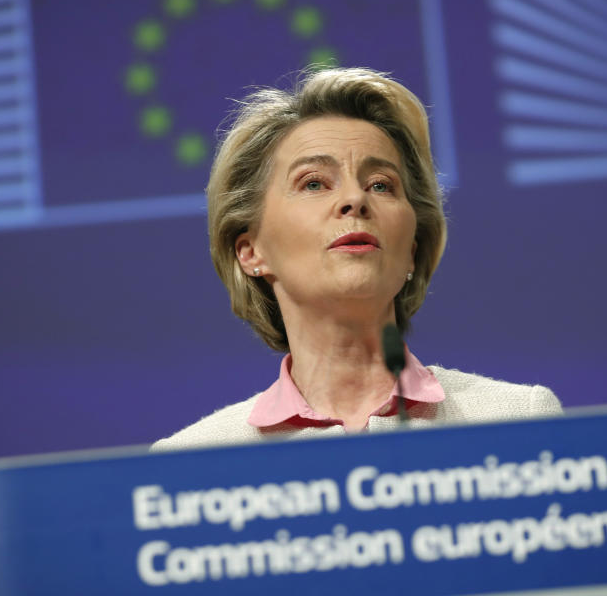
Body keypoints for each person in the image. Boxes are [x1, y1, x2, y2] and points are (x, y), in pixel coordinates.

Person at [151, 67, 561, 451]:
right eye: (313, 183)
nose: (354, 199)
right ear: (251, 251)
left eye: (381, 185)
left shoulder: (517, 422)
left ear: (412, 251)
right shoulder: (191, 460)